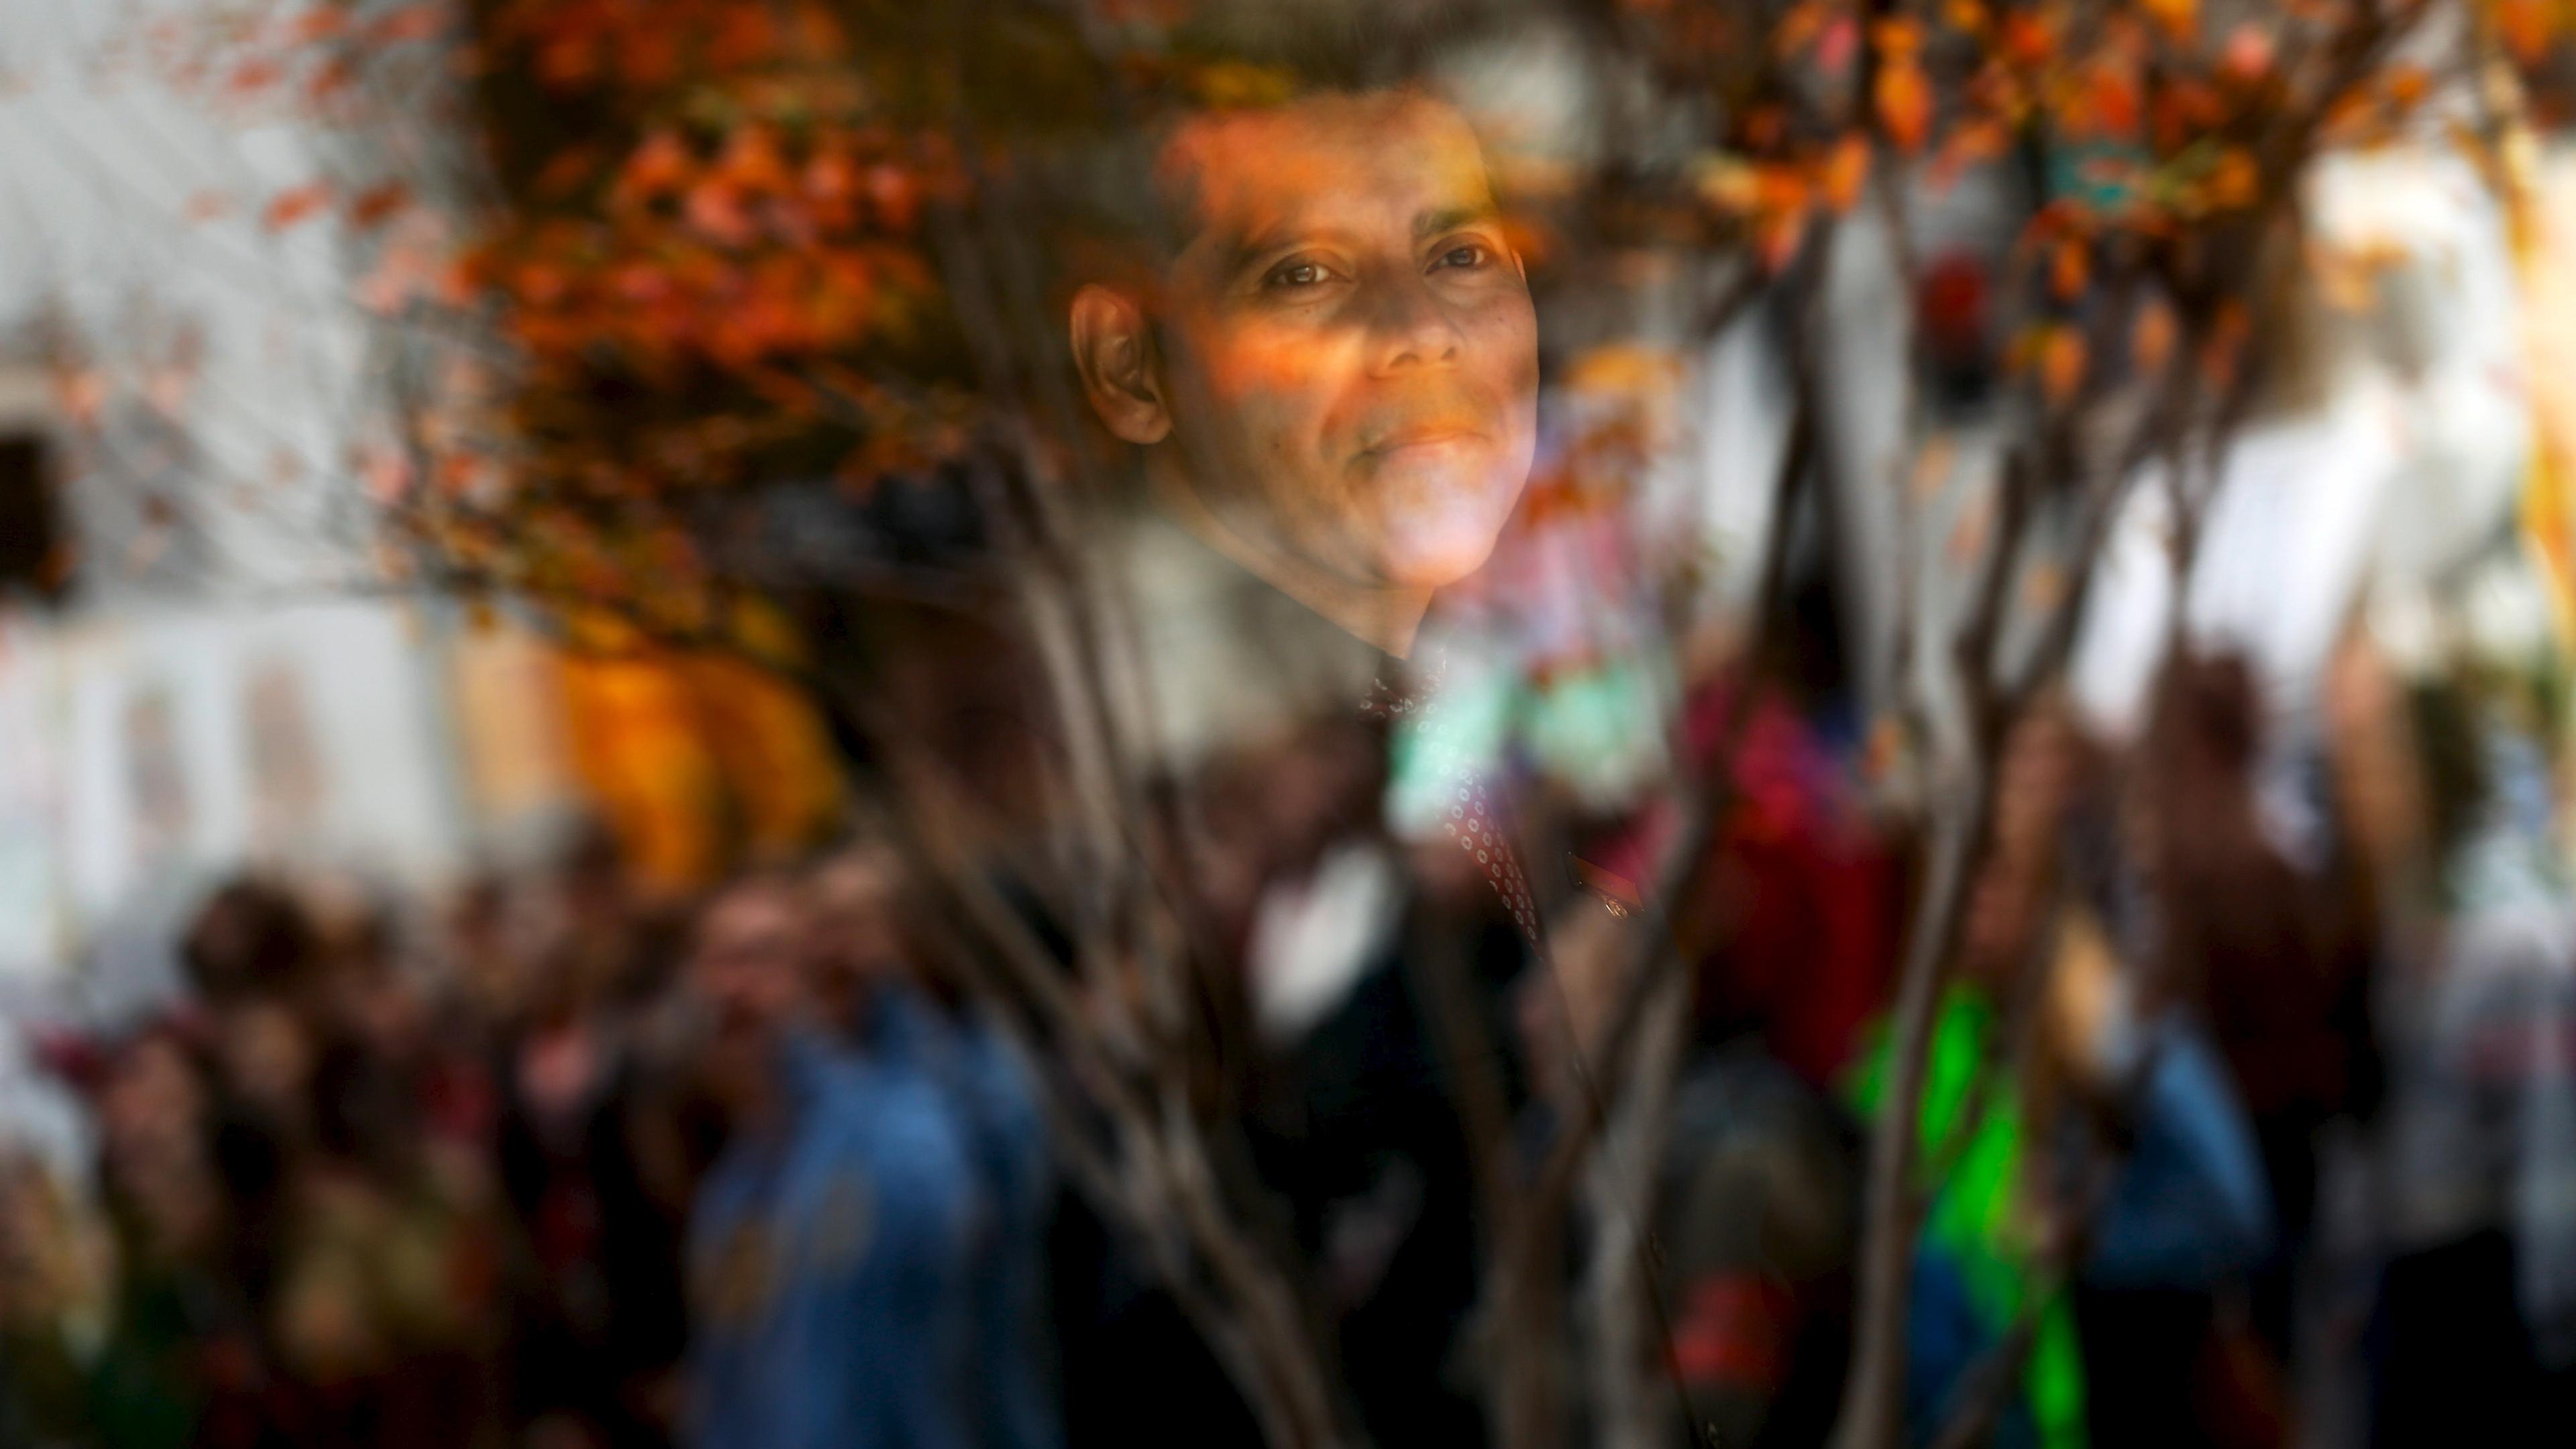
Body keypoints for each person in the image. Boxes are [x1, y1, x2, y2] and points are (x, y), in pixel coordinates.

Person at [1067, 82, 1540, 663]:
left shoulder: (1509, 643)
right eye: (1304, 275)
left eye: (1461, 257)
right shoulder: (1058, 687)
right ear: (1128, 366)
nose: (1422, 332)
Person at [681, 873, 974, 1449]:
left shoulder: (896, 1136)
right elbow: (726, 1394)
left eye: (760, 958)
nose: (732, 988)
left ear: (815, 983)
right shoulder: (728, 1197)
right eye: (716, 962)